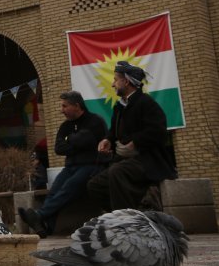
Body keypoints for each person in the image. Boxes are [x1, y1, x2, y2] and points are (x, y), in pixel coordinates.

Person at [86, 61, 176, 212]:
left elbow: (158, 132)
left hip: (147, 160)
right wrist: (108, 140)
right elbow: (113, 132)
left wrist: (136, 142)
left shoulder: (146, 103)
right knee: (95, 185)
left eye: (115, 80)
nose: (113, 84)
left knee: (117, 172)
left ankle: (126, 220)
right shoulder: (120, 106)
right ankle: (128, 212)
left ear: (126, 81)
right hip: (126, 161)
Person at [19, 91, 107, 237]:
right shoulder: (65, 126)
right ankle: (46, 227)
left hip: (91, 166)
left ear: (76, 106)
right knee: (54, 191)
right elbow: (58, 149)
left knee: (69, 187)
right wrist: (76, 141)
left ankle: (39, 216)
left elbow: (88, 140)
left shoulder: (95, 121)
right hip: (70, 166)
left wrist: (71, 140)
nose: (61, 110)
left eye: (65, 106)